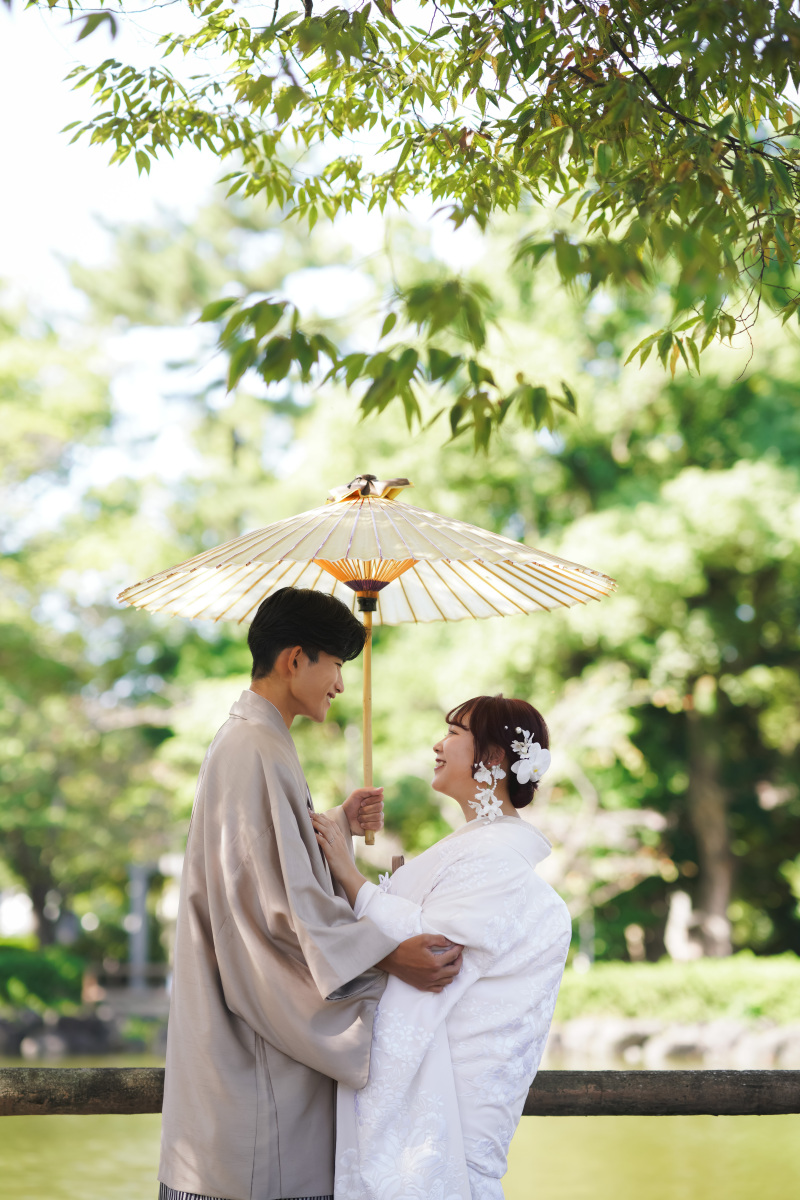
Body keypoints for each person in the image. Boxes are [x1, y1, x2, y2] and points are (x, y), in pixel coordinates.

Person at [158, 587, 463, 1200]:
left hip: (242, 1046)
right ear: (296, 658)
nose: (342, 686)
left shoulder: (254, 738)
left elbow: (269, 862)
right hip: (252, 1057)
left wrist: (338, 824)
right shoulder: (255, 746)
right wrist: (387, 953)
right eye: (336, 665)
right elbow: (279, 909)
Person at [311, 693, 572, 1200]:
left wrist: (348, 874)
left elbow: (432, 951)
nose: (438, 744)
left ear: (493, 757)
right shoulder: (477, 845)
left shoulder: (496, 857)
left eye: (454, 734)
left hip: (455, 1097)